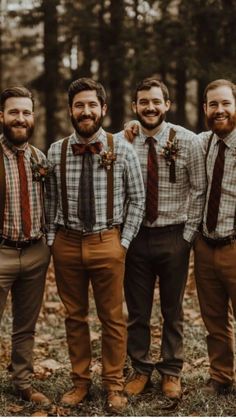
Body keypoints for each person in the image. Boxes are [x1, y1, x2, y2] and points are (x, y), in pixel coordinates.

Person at [46, 77, 145, 412]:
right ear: (71, 110)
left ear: (103, 109)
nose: (85, 111)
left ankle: (114, 385)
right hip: (67, 244)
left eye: (91, 105)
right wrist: (51, 242)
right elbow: (49, 201)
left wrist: (123, 242)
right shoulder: (56, 151)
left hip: (108, 242)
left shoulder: (124, 151)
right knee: (74, 317)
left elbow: (138, 201)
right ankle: (80, 383)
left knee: (113, 318)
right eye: (79, 105)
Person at [117, 78, 206, 399]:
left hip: (174, 237)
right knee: (137, 311)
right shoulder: (121, 142)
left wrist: (187, 236)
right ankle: (140, 368)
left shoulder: (188, 141)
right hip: (135, 237)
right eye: (143, 102)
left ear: (167, 105)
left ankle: (171, 371)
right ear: (134, 107)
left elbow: (199, 189)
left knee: (173, 309)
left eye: (156, 101)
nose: (150, 107)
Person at [0, 87, 51, 404]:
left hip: (35, 253)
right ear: (1, 116)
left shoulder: (39, 159)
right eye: (14, 112)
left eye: (26, 112)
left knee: (25, 325)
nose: (21, 118)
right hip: (1, 252)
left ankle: (22, 382)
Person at [194, 79, 236, 395]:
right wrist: (131, 128)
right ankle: (221, 377)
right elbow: (163, 133)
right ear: (205, 109)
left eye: (225, 103)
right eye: (213, 104)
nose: (219, 110)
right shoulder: (202, 143)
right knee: (214, 320)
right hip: (206, 245)